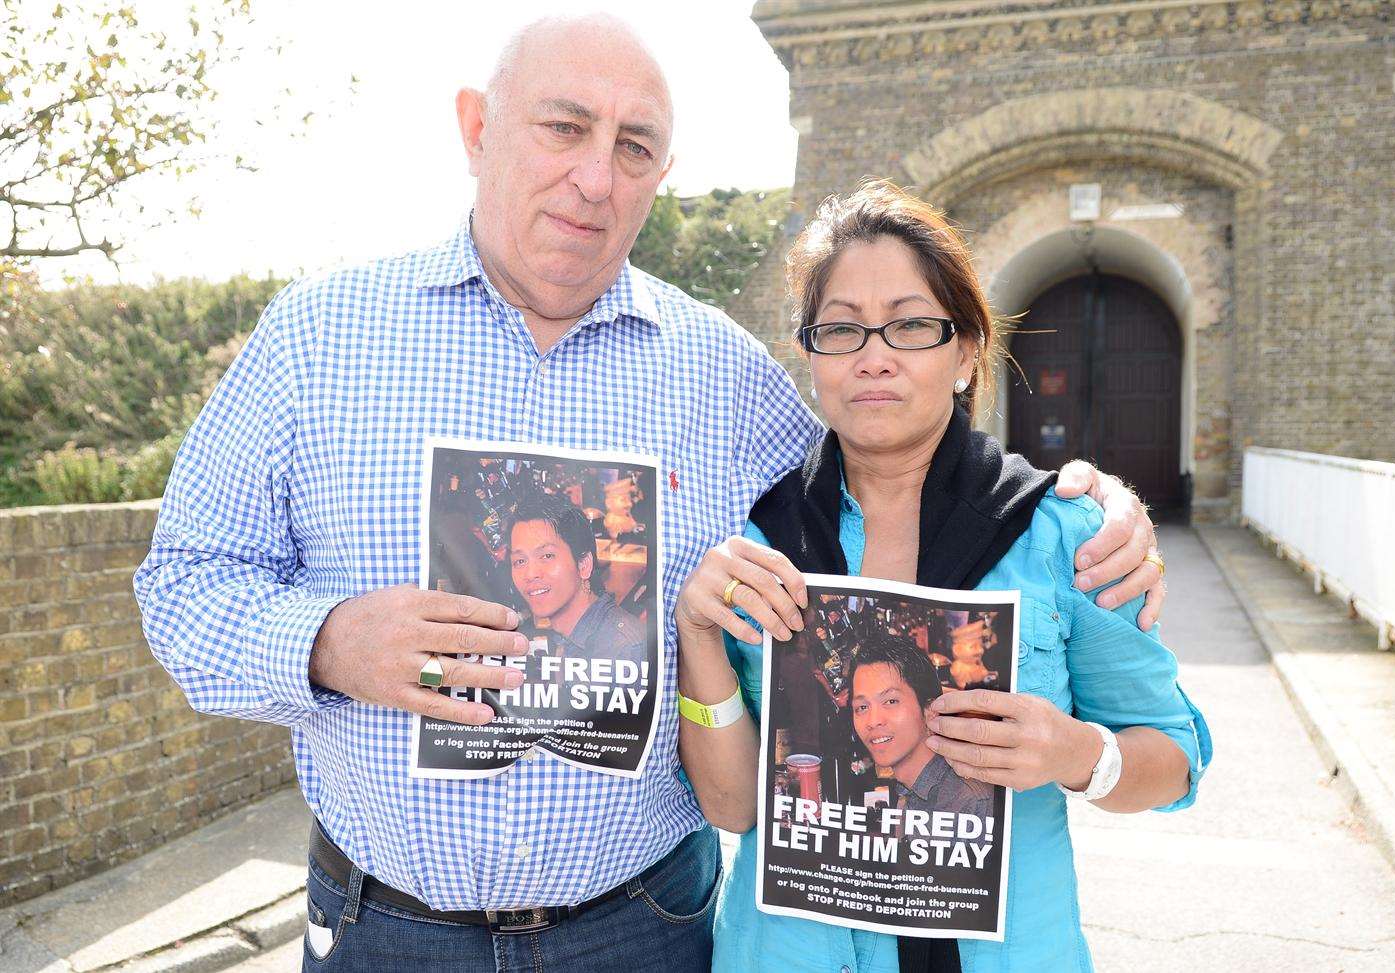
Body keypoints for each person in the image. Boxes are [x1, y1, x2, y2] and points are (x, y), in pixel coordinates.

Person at [134, 14, 1165, 972]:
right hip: (385, 928)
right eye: (563, 128)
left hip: (644, 930)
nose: (594, 176)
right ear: (476, 128)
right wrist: (326, 642)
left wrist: (1085, 498)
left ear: (661, 174)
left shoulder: (722, 372)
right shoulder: (316, 341)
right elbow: (181, 587)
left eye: (633, 147)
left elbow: (892, 469)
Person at [675, 179, 1211, 972]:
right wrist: (698, 635)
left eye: (911, 325)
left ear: (965, 352)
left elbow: (1172, 758)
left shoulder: (1060, 534)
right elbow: (730, 806)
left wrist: (1076, 753)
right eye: (842, 330)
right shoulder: (763, 542)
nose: (874, 357)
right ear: (810, 353)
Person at [847, 632, 996, 826]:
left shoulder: (964, 804)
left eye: (891, 701)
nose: (873, 721)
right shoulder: (909, 789)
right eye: (862, 707)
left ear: (930, 711)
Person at [503, 489, 645, 663]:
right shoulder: (565, 635)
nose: (530, 574)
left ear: (583, 564)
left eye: (547, 556)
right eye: (520, 561)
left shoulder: (624, 650)